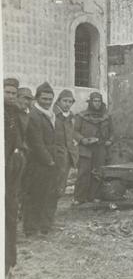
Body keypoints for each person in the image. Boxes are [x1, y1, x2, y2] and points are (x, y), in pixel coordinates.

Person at [22, 82, 58, 236]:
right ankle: (31, 229)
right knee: (35, 195)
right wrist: (49, 161)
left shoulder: (49, 114)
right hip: (38, 162)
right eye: (44, 99)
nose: (47, 102)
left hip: (49, 160)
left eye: (50, 99)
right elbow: (36, 142)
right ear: (37, 98)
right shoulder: (34, 115)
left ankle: (44, 226)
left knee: (48, 194)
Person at [74, 92, 113, 204]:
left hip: (100, 148)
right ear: (90, 102)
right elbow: (75, 131)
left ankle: (94, 196)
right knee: (83, 172)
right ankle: (79, 198)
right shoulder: (81, 116)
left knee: (98, 172)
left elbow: (112, 132)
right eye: (95, 101)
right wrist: (82, 139)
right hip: (86, 148)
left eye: (99, 101)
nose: (97, 103)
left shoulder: (107, 117)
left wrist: (110, 140)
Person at [3, 78, 24, 275]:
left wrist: (17, 152)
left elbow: (19, 140)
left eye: (13, 93)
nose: (10, 96)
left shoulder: (16, 114)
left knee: (10, 214)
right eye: (7, 92)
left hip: (11, 171)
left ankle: (8, 263)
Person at [50, 89, 79, 221]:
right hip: (54, 156)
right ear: (58, 101)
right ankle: (45, 216)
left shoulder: (71, 117)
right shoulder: (53, 115)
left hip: (67, 157)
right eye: (65, 101)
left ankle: (51, 215)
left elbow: (72, 134)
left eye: (70, 101)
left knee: (60, 187)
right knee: (51, 186)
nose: (67, 104)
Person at [16, 87, 34, 220]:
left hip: (28, 154)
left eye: (29, 99)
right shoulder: (12, 113)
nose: (27, 102)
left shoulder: (29, 115)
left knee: (26, 184)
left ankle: (22, 211)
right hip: (16, 153)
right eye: (24, 98)